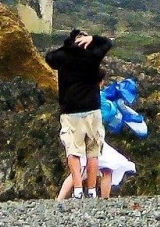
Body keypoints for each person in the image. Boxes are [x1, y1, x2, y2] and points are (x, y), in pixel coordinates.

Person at [48, 29, 115, 200]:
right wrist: (93, 39)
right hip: (92, 108)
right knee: (93, 151)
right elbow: (107, 42)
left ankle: (78, 189)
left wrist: (68, 45)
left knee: (73, 151)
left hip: (70, 110)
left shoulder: (62, 56)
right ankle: (91, 190)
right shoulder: (92, 55)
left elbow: (50, 57)